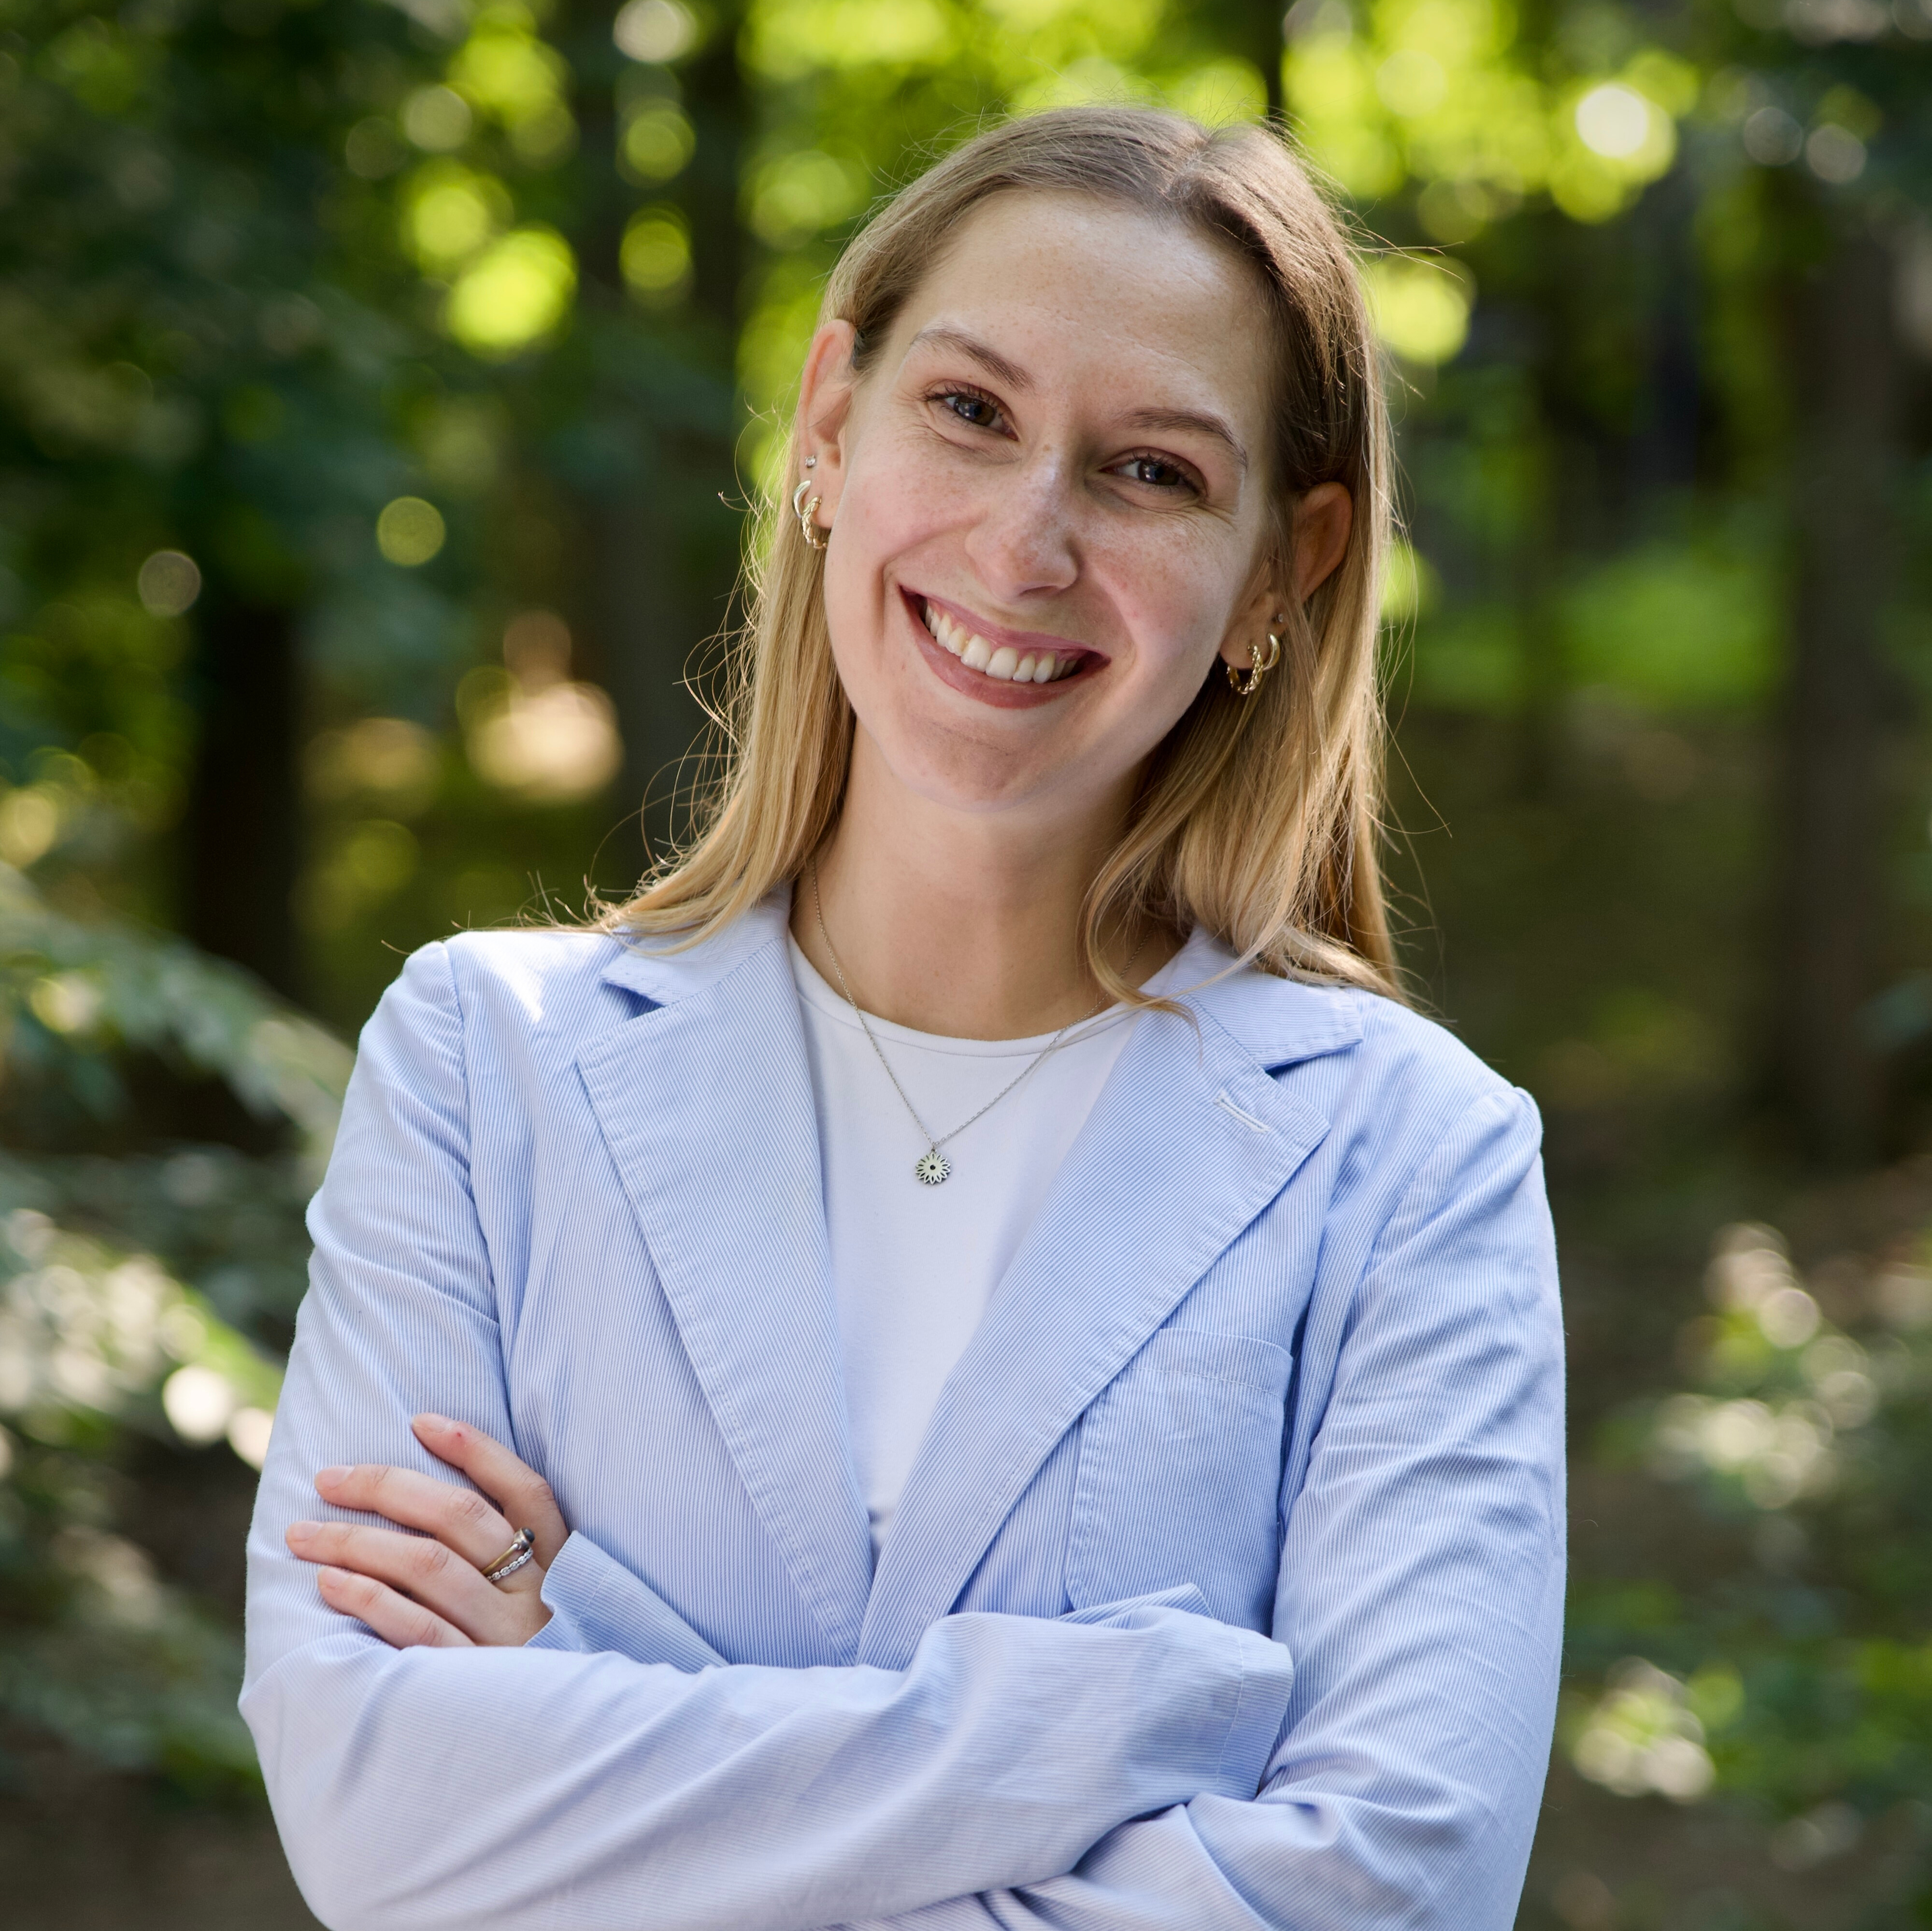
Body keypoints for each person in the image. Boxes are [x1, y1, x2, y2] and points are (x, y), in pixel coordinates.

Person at [244, 105, 1565, 1931]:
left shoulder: (1414, 1165)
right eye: (968, 410)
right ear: (827, 425)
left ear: (1284, 567)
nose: (1028, 542)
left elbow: (1392, 1890)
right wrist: (1113, 1727)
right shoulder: (486, 1066)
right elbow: (378, 1808)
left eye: (1153, 472)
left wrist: (580, 1670)